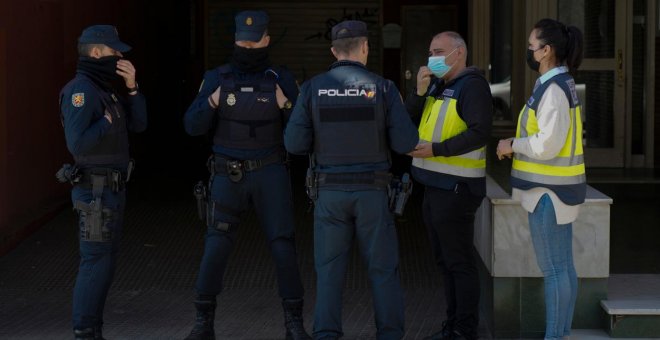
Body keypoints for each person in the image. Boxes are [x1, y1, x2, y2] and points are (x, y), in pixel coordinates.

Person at [285, 20, 419, 340]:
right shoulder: (384, 88)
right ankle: (389, 334)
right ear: (365, 48)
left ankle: (327, 334)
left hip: (329, 194)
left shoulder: (312, 88)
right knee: (383, 271)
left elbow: (294, 145)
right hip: (373, 193)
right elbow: (406, 144)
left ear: (333, 51)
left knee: (329, 272)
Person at [182, 10, 310, 340]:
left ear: (267, 40)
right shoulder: (216, 77)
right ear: (234, 41)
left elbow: (303, 134)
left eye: (254, 42)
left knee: (283, 246)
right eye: (242, 41)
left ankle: (294, 324)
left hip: (270, 173)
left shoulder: (280, 77)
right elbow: (192, 126)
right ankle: (203, 324)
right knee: (216, 248)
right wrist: (211, 100)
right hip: (228, 174)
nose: (248, 47)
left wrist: (285, 105)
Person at [496, 18, 585, 340]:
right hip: (557, 190)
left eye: (532, 46)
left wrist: (511, 146)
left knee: (554, 270)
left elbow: (547, 145)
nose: (529, 51)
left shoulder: (554, 90)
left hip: (549, 192)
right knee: (564, 267)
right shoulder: (558, 84)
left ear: (547, 51)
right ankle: (560, 334)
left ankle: (553, 336)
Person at [58, 25, 147, 339]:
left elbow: (140, 124)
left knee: (105, 263)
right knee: (95, 262)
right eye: (114, 51)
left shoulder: (106, 90)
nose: (119, 56)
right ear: (96, 52)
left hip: (112, 190)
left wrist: (133, 88)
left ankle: (93, 329)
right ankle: (84, 331)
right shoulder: (81, 91)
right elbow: (78, 144)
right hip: (95, 192)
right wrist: (105, 121)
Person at [405, 31, 492, 340]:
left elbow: (480, 132)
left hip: (457, 189)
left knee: (459, 262)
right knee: (445, 262)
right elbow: (408, 120)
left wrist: (436, 150)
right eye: (430, 51)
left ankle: (464, 330)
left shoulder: (472, 86)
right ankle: (452, 325)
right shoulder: (440, 86)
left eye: (438, 51)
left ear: (459, 53)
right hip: (435, 186)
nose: (432, 57)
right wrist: (418, 91)